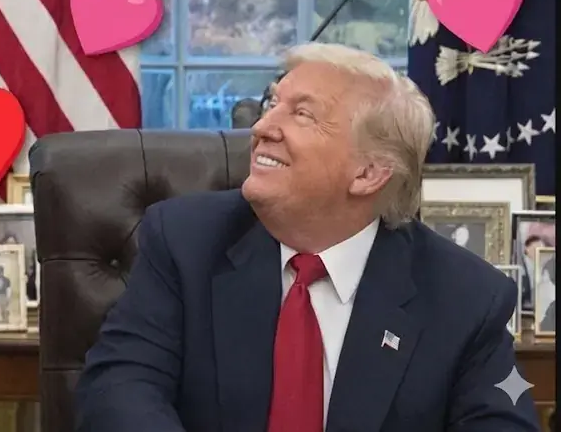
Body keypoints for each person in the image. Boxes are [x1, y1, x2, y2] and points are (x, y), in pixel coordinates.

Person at [75, 43, 539, 432]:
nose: (261, 128)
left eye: (301, 114)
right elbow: (118, 389)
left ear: (369, 172)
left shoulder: (466, 298)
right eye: (271, 103)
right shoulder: (183, 242)